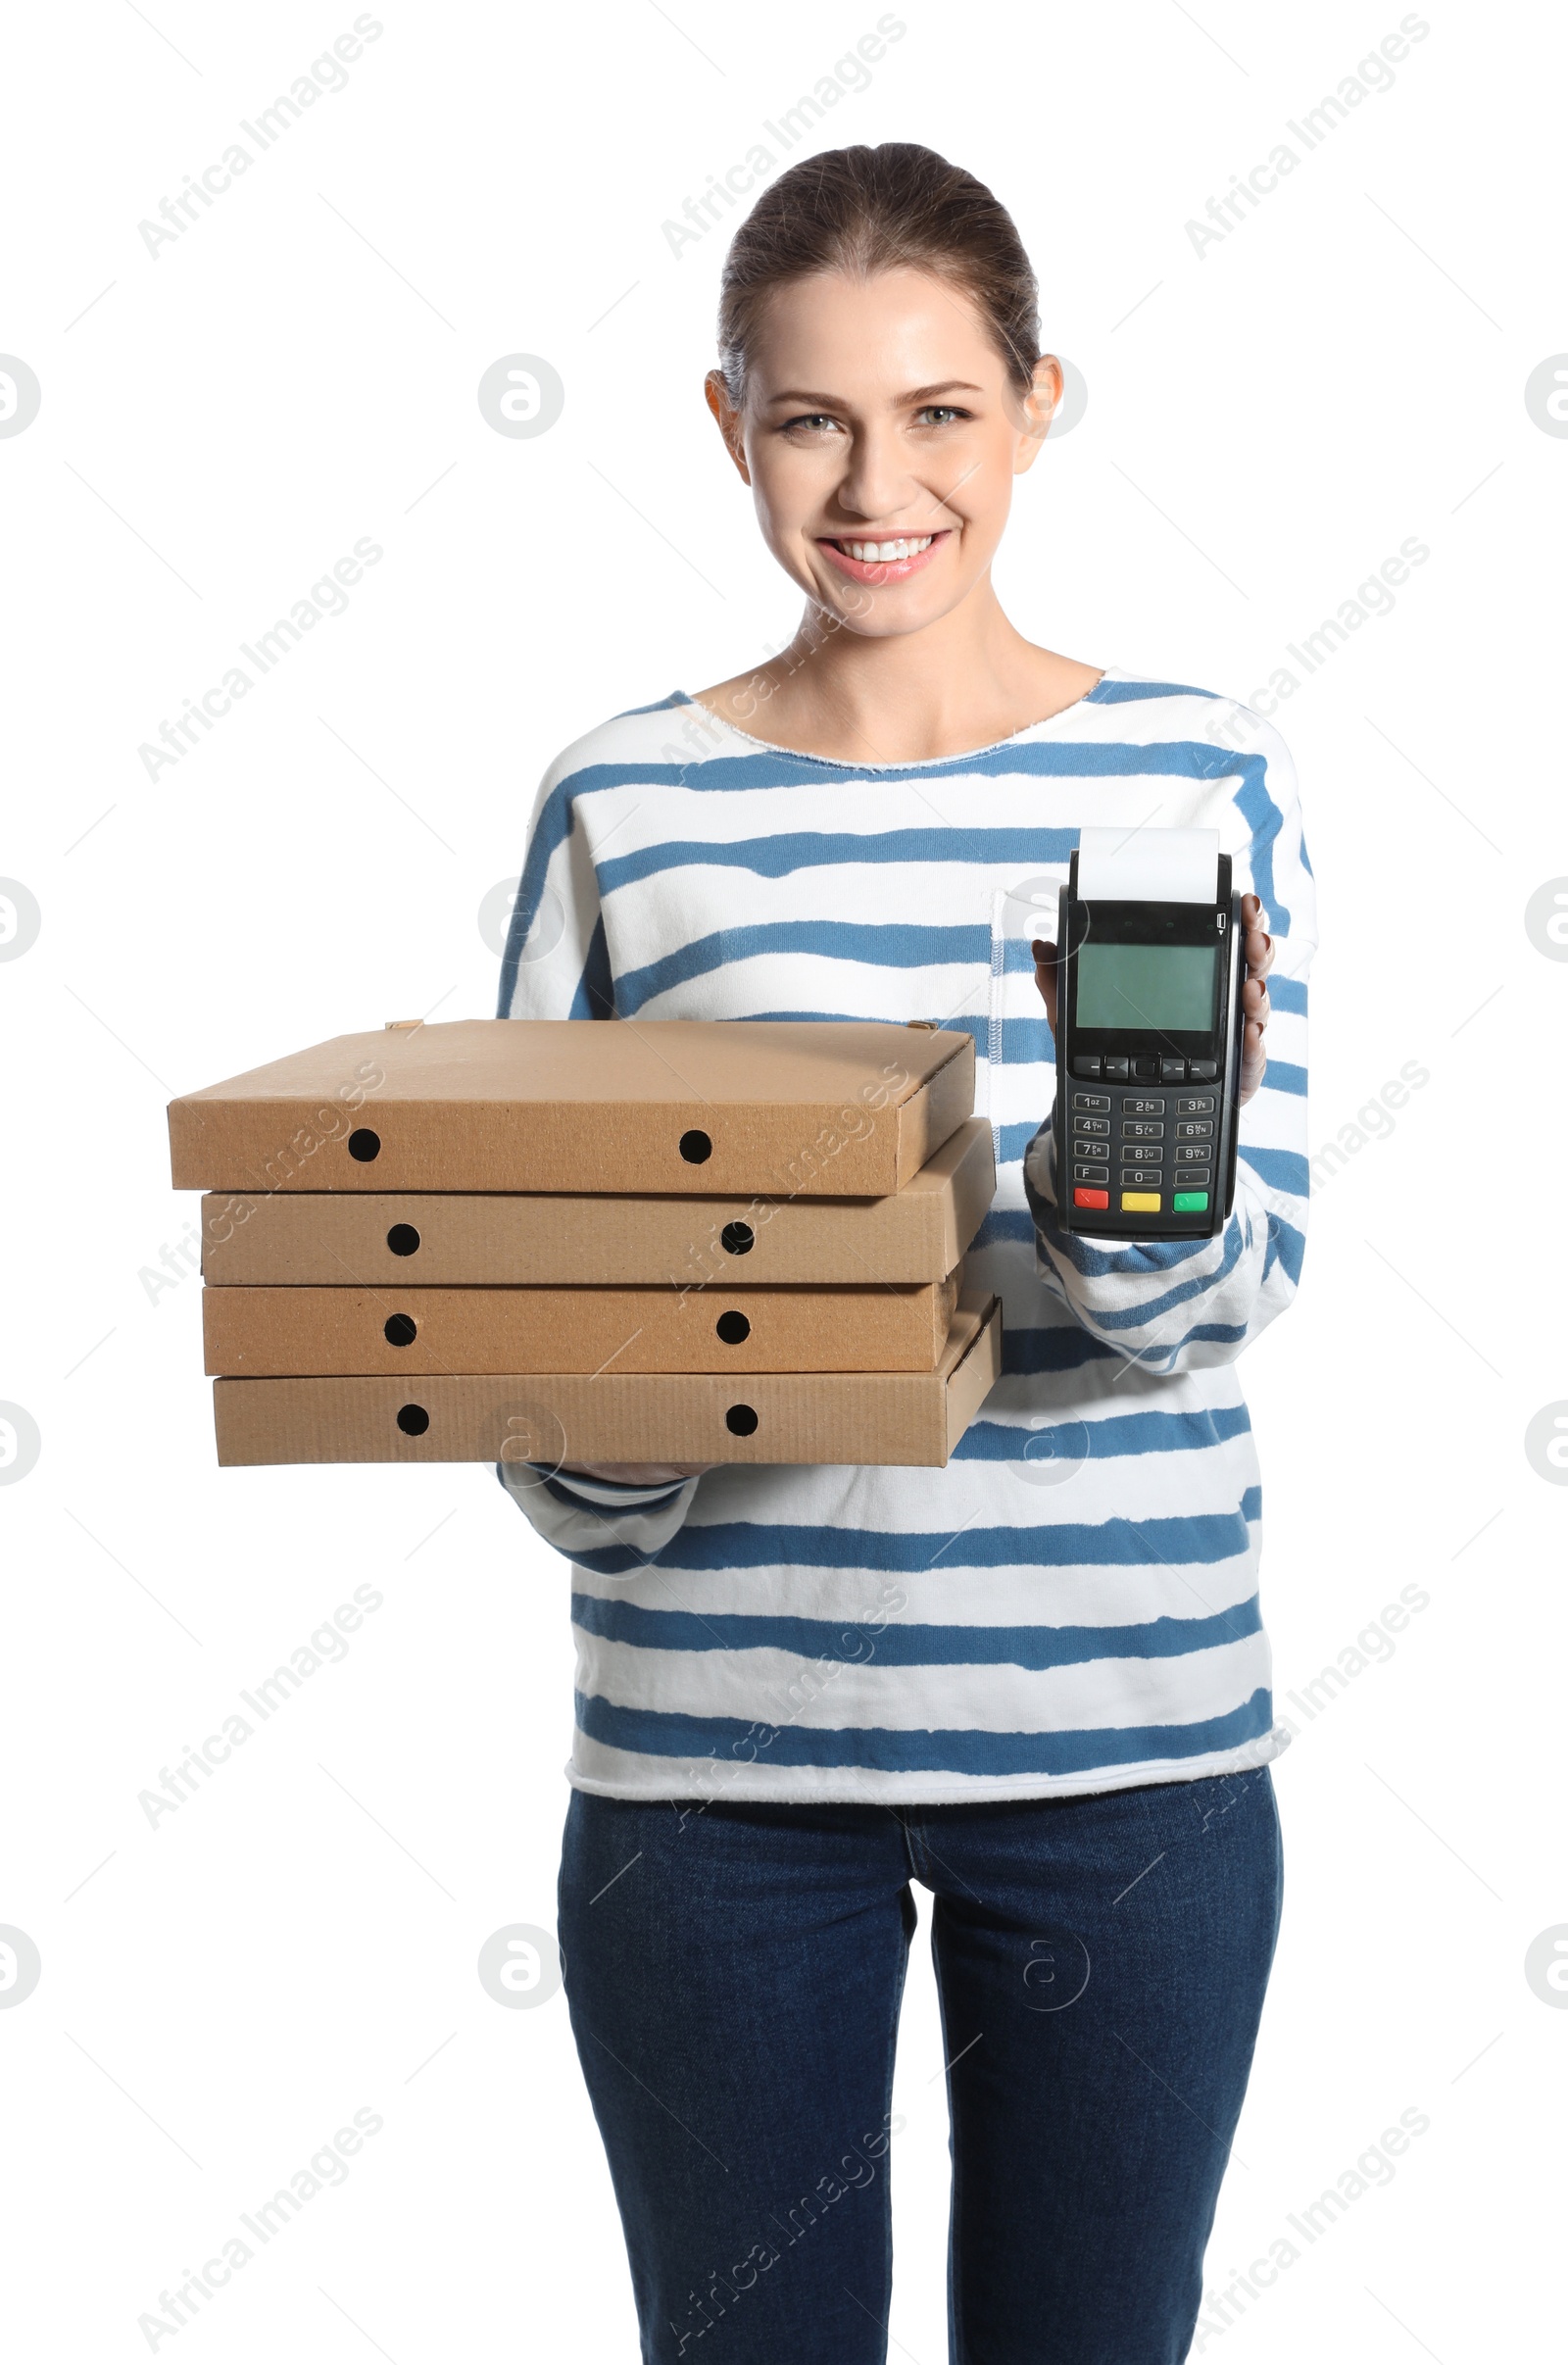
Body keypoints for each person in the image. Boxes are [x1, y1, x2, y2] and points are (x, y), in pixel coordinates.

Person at [496, 142, 1313, 2365]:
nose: (877, 481)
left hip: (1127, 1763)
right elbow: (520, 1326)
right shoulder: (621, 806)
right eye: (811, 416)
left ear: (1035, 404)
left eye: (939, 410)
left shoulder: (1193, 778)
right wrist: (614, 1414)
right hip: (716, 1772)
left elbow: (1230, 1291)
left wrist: (1092, 1199)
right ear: (727, 422)